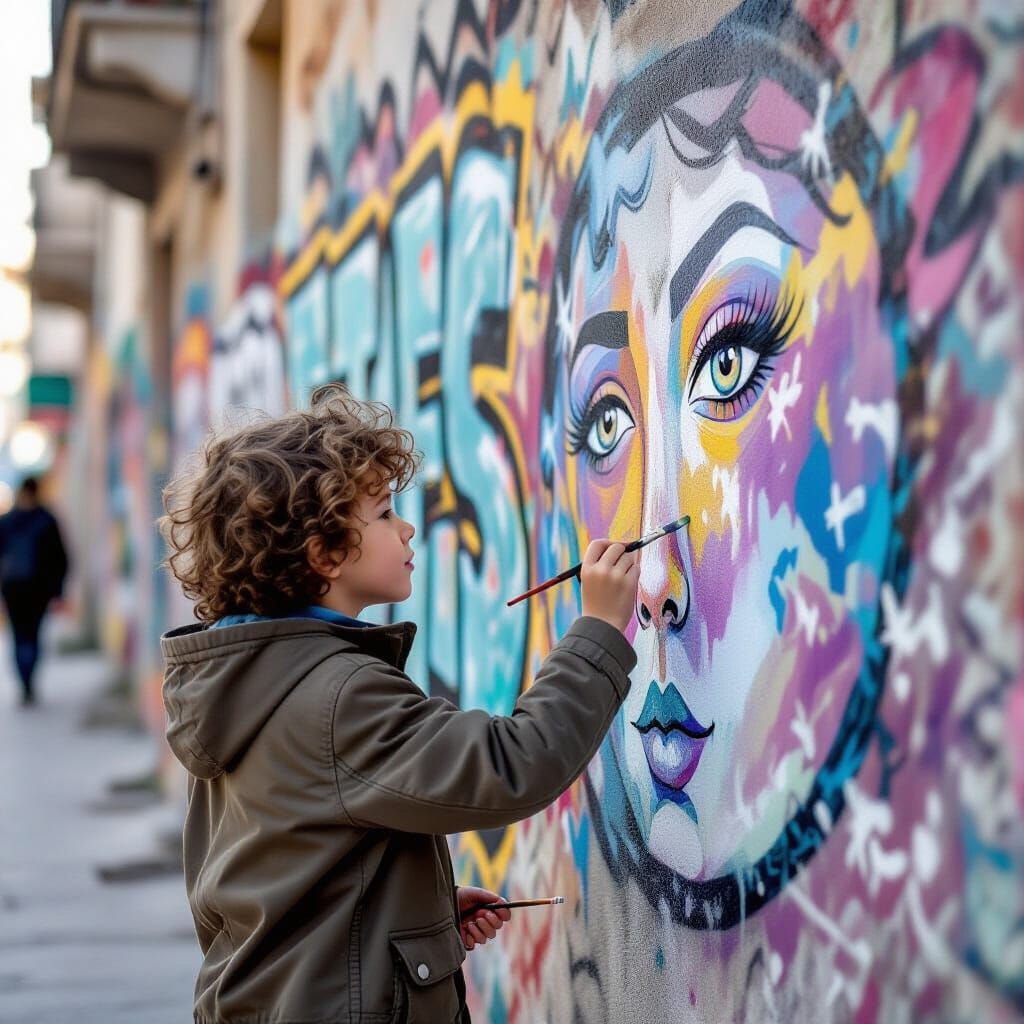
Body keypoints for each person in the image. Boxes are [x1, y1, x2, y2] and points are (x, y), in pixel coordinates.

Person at [158, 383, 640, 1023]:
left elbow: (299, 862)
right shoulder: (338, 696)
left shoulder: (245, 683)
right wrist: (601, 631)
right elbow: (512, 764)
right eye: (384, 513)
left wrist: (421, 912)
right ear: (324, 552)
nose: (406, 526)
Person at [0, 476, 68, 706]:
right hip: (39, 590)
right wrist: (58, 591)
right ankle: (29, 680)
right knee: (34, 635)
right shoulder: (47, 520)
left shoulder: (7, 521)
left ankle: (24, 682)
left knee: (18, 636)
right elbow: (61, 558)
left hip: (12, 589)